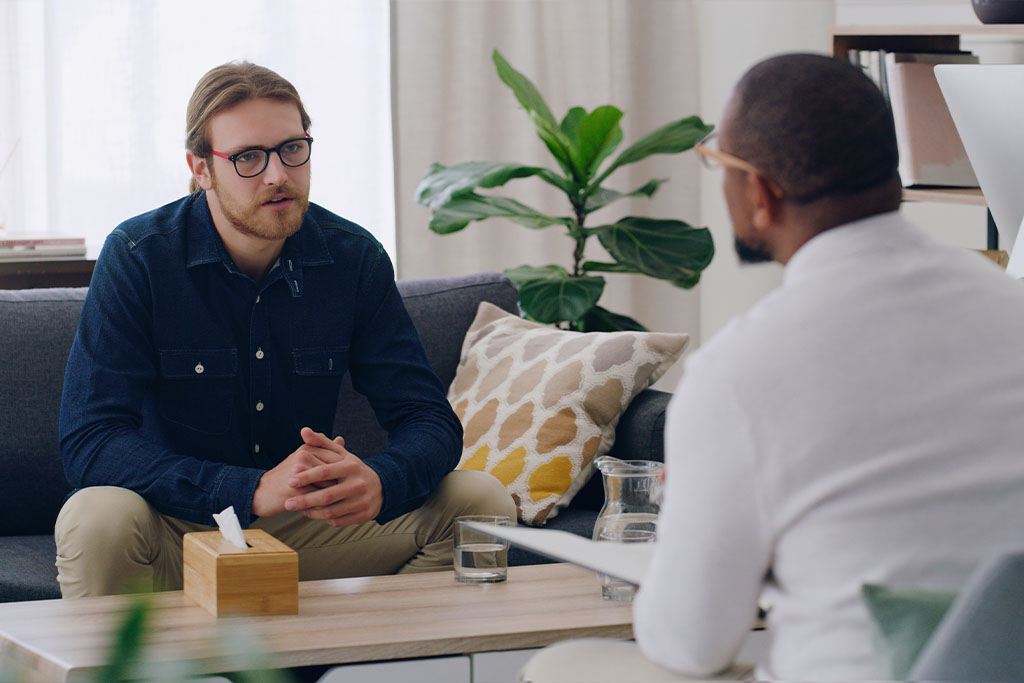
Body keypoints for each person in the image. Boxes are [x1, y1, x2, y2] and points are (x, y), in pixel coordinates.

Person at [520, 53, 1024, 682]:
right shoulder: (1011, 307)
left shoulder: (740, 373)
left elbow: (690, 644)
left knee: (567, 667)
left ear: (760, 192)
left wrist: (697, 519)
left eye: (718, 163)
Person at [55, 61, 514, 598]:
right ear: (201, 168)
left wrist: (382, 479)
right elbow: (90, 440)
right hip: (176, 528)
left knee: (481, 501)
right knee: (96, 515)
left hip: (307, 527)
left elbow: (427, 417)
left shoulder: (353, 258)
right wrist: (249, 489)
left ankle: (358, 663)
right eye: (248, 157)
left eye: (292, 149)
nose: (277, 174)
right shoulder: (139, 257)